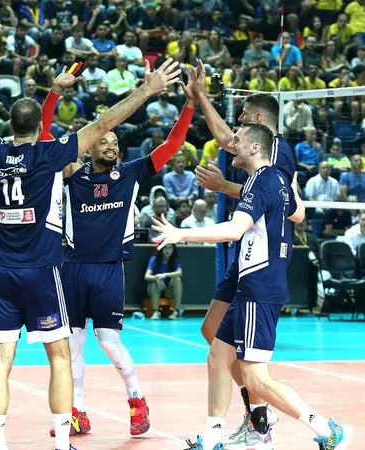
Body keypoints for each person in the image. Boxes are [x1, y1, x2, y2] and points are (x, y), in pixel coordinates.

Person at [0, 53, 181, 450]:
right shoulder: (50, 152)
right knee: (60, 356)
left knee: (0, 361)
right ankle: (62, 443)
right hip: (43, 270)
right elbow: (103, 124)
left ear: (10, 126)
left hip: (1, 272)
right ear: (40, 128)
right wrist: (146, 90)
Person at [152, 122, 352, 450]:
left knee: (256, 378)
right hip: (253, 284)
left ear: (255, 147)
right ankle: (212, 439)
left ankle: (327, 430)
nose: (231, 143)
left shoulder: (261, 181)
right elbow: (297, 213)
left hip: (260, 287)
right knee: (218, 357)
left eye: (238, 139)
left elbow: (235, 229)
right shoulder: (274, 179)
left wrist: (181, 233)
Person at [40, 73, 194, 437]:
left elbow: (172, 144)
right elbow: (44, 134)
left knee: (108, 342)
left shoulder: (130, 174)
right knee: (72, 345)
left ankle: (137, 401)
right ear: (89, 146)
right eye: (103, 141)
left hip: (109, 269)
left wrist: (189, 104)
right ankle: (77, 411)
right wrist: (54, 93)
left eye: (115, 142)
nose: (110, 146)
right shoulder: (72, 173)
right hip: (73, 267)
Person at [188, 58, 299, 447]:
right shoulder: (254, 148)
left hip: (262, 258)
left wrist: (223, 187)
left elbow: (281, 203)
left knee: (246, 365)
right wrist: (201, 96)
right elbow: (226, 139)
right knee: (211, 332)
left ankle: (263, 418)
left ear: (257, 121)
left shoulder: (277, 152)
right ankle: (254, 416)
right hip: (245, 253)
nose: (235, 127)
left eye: (242, 120)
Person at [145, 244, 182, 320]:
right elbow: (147, 276)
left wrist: (165, 275)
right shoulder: (155, 259)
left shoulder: (174, 260)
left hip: (168, 290)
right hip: (154, 289)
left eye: (170, 248)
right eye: (165, 248)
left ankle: (176, 311)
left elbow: (180, 273)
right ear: (161, 248)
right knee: (154, 283)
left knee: (177, 279)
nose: (167, 250)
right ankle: (156, 312)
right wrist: (157, 278)